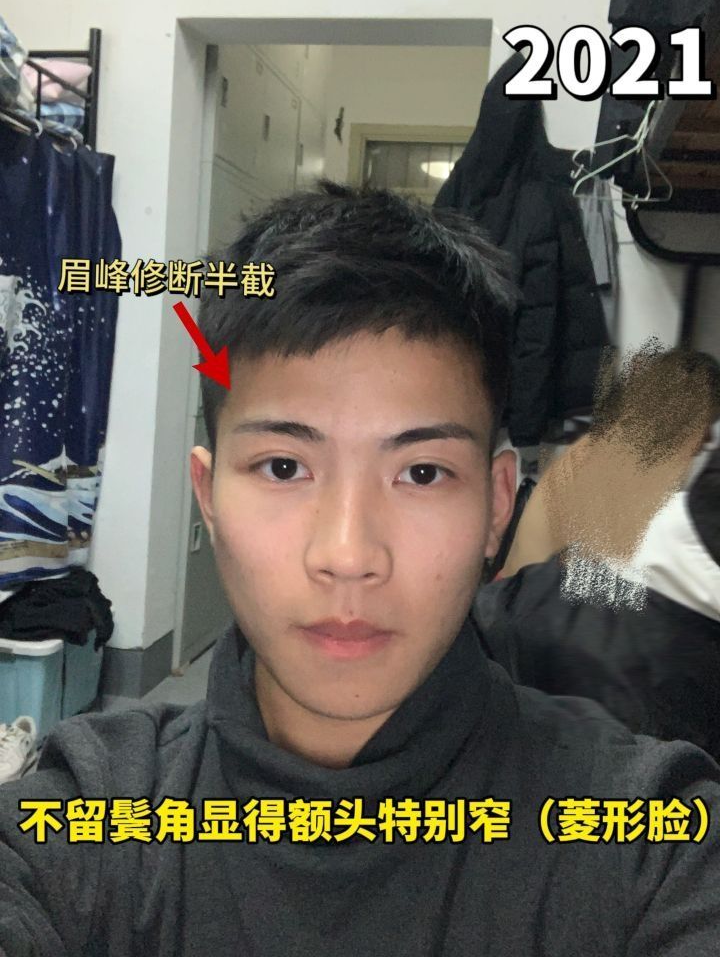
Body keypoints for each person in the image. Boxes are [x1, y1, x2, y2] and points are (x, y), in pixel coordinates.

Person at [1, 181, 720, 957]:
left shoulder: (647, 841)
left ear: (496, 505)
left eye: (421, 473)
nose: (348, 556)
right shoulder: (84, 817)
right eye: (283, 467)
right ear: (208, 496)